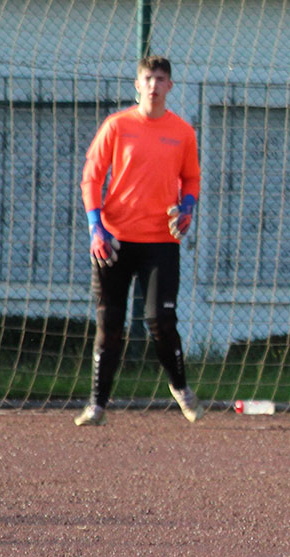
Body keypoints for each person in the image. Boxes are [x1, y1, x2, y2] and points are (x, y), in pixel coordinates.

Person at [75, 55, 203, 426]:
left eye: (161, 79)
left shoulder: (182, 131)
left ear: (170, 86)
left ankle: (180, 388)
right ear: (137, 84)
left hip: (161, 241)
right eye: (147, 78)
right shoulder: (117, 126)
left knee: (160, 320)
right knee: (110, 323)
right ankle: (97, 405)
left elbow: (191, 179)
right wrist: (96, 227)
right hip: (115, 239)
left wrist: (188, 207)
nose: (153, 85)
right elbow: (91, 178)